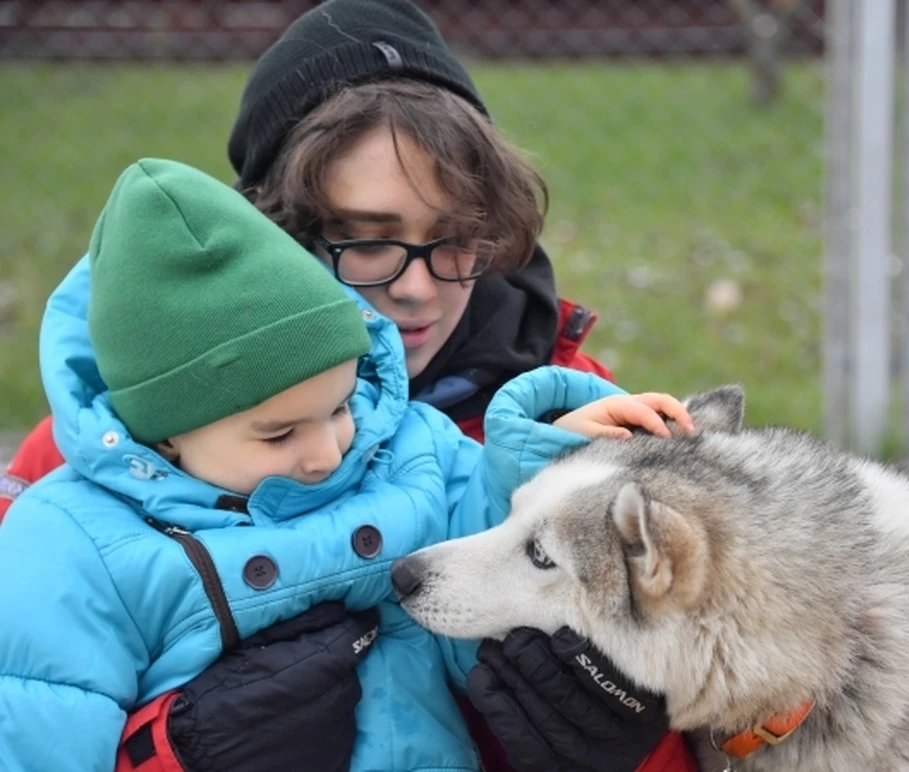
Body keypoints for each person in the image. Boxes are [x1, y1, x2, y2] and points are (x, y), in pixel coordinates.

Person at [0, 1, 701, 770]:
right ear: (275, 232)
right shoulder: (92, 461)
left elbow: (746, 699)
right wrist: (176, 748)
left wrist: (643, 741)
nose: (419, 290)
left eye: (456, 239)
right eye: (368, 241)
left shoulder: (576, 422)